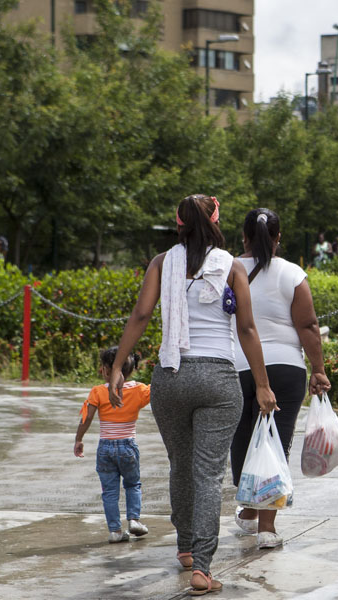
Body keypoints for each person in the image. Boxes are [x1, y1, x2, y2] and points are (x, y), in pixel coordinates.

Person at [108, 194, 277, 596]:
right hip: (218, 379)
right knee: (207, 474)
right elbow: (247, 330)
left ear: (178, 223)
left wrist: (118, 364)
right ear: (217, 220)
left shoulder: (162, 263)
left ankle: (185, 547)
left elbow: (141, 315)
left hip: (170, 376)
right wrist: (264, 384)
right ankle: (202, 567)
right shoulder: (231, 266)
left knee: (180, 465)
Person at [230, 208, 331, 549]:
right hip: (287, 369)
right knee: (276, 441)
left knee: (242, 439)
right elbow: (308, 326)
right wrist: (318, 369)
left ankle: (247, 509)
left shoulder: (227, 269)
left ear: (243, 236)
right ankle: (266, 528)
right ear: (278, 238)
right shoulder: (292, 274)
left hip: (238, 366)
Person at [74, 347, 150, 543]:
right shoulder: (139, 390)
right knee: (133, 484)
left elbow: (86, 418)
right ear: (131, 370)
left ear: (108, 370)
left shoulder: (98, 391)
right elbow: (159, 391)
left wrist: (79, 439)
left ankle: (115, 531)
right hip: (128, 446)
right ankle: (133, 519)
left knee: (109, 491)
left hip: (105, 447)